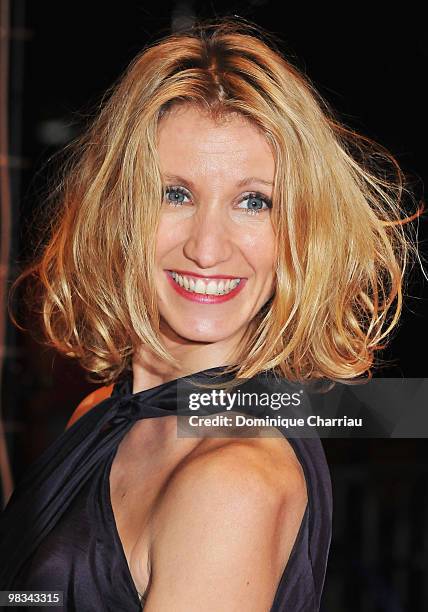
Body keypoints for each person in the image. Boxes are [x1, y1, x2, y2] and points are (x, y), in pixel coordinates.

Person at [0, 17, 422, 612]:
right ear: (118, 212)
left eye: (254, 202)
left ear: (299, 233)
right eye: (175, 194)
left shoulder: (230, 482)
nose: (207, 247)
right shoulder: (102, 413)